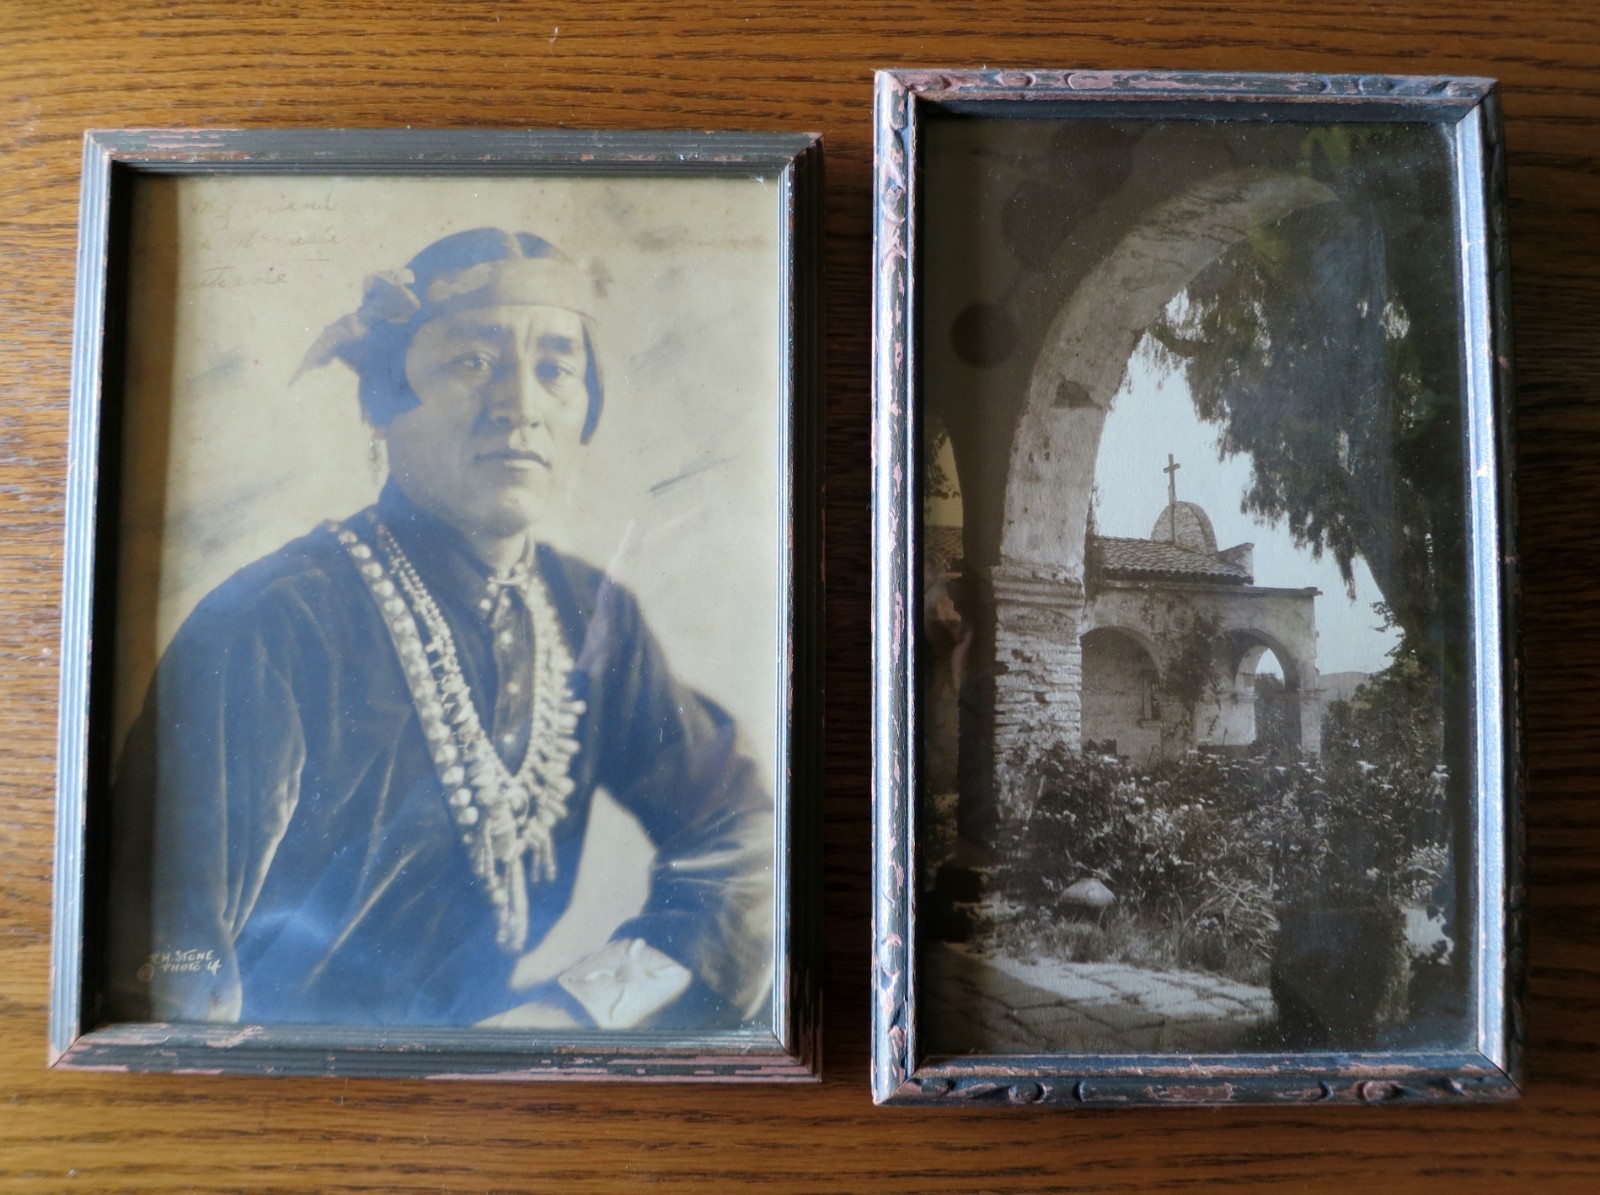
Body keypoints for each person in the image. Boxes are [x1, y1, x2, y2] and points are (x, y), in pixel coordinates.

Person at [105, 228, 774, 1031]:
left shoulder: (587, 612)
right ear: (379, 403)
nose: (520, 406)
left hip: (499, 1094)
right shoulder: (272, 626)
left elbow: (749, 837)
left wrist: (577, 1007)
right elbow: (169, 986)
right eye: (472, 362)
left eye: (555, 369)